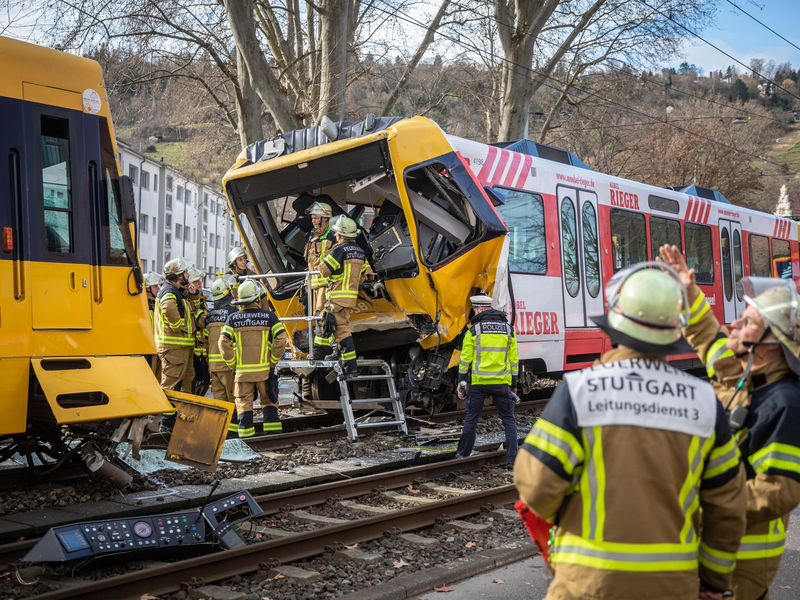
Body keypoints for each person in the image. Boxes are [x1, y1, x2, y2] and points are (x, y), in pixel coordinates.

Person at [514, 264, 747, 600]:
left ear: (615, 325)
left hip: (588, 584)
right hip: (674, 586)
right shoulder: (705, 403)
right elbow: (728, 507)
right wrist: (713, 581)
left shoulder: (581, 391)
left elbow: (535, 487)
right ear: (673, 332)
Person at [661, 244, 800, 600]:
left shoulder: (784, 403)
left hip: (743, 561)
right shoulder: (746, 377)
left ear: (771, 343)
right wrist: (688, 292)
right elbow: (710, 339)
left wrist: (711, 507)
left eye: (747, 323)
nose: (733, 325)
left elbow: (780, 491)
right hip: (721, 552)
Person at [454, 294, 520, 467]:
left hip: (478, 384)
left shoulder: (473, 330)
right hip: (501, 384)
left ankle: (462, 456)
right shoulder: (508, 329)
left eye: (475, 309)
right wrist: (514, 385)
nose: (475, 312)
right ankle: (513, 460)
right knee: (509, 420)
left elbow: (465, 361)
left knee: (471, 419)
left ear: (481, 309)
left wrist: (461, 384)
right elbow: (514, 361)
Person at [219, 279, 288, 438]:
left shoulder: (233, 319)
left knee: (243, 403)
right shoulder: (269, 317)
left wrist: (233, 364)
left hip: (242, 373)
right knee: (269, 401)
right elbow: (281, 339)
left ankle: (247, 438)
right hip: (264, 371)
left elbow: (223, 342)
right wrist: (272, 361)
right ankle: (272, 436)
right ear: (257, 298)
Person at [317, 215, 374, 378]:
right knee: (329, 326)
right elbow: (364, 274)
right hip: (349, 298)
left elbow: (324, 270)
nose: (335, 235)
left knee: (342, 331)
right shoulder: (360, 252)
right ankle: (337, 354)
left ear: (341, 235)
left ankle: (350, 368)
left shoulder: (339, 250)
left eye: (336, 233)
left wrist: (324, 255)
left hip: (336, 298)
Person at [155, 258, 196, 429]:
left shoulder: (178, 291)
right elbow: (168, 307)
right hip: (173, 348)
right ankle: (165, 422)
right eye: (185, 273)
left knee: (185, 382)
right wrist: (177, 326)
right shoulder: (170, 292)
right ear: (179, 275)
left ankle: (178, 420)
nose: (188, 275)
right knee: (170, 384)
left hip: (181, 347)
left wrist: (194, 295)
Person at [304, 200, 337, 360]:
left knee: (324, 319)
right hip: (314, 286)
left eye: (316, 217)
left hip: (327, 285)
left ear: (325, 218)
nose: (313, 220)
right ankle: (321, 351)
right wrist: (306, 282)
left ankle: (332, 350)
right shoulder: (312, 236)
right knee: (318, 319)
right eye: (312, 217)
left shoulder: (333, 234)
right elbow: (310, 263)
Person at [206, 277, 238, 437]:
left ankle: (221, 433)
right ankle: (232, 435)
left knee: (220, 402)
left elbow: (206, 339)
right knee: (234, 400)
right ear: (228, 293)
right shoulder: (233, 314)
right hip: (228, 366)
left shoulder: (210, 316)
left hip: (213, 367)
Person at [186, 268, 209, 395]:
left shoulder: (201, 300)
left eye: (199, 281)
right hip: (197, 349)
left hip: (203, 347)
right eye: (196, 281)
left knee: (203, 381)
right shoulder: (192, 301)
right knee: (195, 380)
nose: (200, 283)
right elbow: (201, 321)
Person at [144, 271, 164, 379]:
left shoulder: (155, 303)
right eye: (155, 286)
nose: (158, 288)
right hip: (148, 350)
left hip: (157, 348)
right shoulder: (142, 306)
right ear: (147, 288)